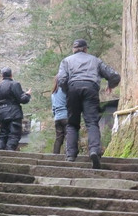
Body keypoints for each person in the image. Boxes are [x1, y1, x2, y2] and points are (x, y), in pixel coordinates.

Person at [56, 38, 120, 168]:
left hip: (73, 88)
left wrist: (68, 90)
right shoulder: (95, 60)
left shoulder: (66, 61)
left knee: (72, 124)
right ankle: (94, 151)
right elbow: (114, 75)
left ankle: (70, 155)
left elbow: (61, 79)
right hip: (91, 89)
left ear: (74, 49)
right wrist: (110, 85)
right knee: (91, 122)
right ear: (85, 49)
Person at [0, 67, 30, 150]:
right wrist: (27, 95)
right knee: (14, 134)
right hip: (14, 113)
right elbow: (22, 99)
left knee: (3, 135)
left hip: (2, 113)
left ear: (2, 76)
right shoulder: (15, 84)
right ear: (11, 75)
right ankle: (9, 151)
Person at [50, 76, 67, 155]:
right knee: (69, 137)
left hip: (57, 118)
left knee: (58, 139)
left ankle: (55, 155)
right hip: (66, 116)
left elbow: (53, 108)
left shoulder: (53, 93)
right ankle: (69, 155)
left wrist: (56, 115)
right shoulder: (65, 90)